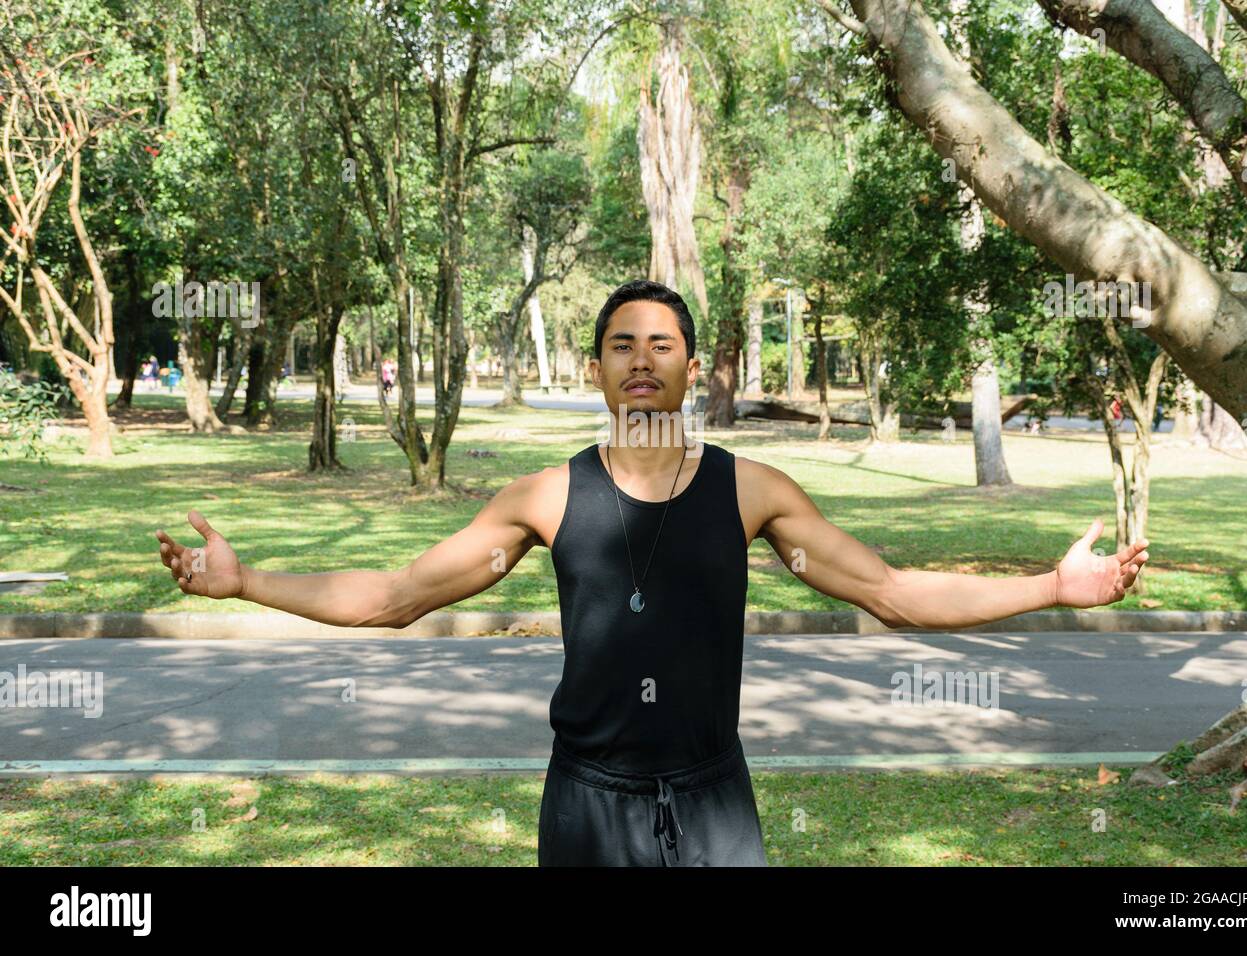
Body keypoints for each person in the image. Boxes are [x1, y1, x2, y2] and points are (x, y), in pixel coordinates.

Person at [154, 279, 1151, 867]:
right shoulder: (543, 499)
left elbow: (893, 591)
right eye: (621, 344)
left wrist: (1051, 589)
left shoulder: (753, 490)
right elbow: (395, 594)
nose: (641, 358)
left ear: (688, 369)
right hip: (585, 798)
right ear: (596, 369)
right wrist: (245, 582)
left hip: (714, 798)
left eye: (661, 344)